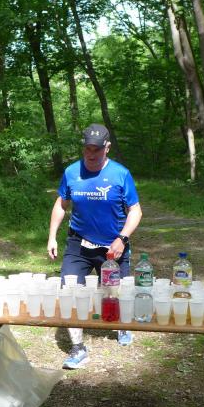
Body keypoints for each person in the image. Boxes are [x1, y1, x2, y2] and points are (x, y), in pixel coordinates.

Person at [47, 124, 142, 369]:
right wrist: (52, 236)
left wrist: (122, 238)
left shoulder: (120, 174)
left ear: (107, 148)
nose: (91, 154)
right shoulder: (72, 172)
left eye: (96, 150)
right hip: (78, 243)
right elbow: (61, 204)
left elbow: (135, 210)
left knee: (113, 293)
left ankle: (121, 326)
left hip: (112, 246)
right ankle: (78, 348)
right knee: (69, 293)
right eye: (87, 149)